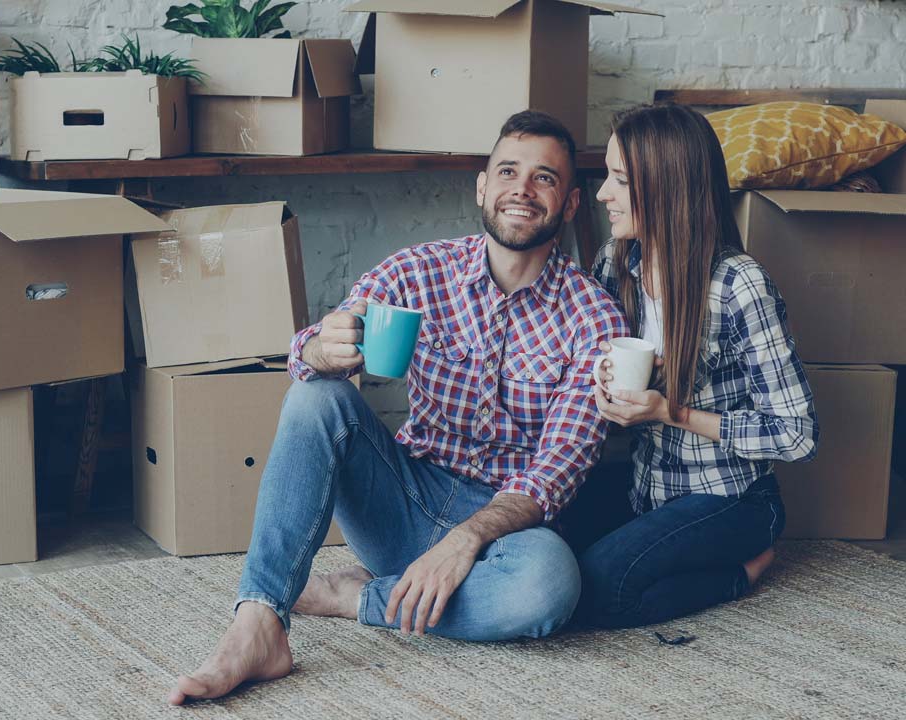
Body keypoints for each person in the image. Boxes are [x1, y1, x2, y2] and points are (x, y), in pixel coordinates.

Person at [168, 110, 629, 704]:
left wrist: (464, 540)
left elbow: (554, 473)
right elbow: (310, 350)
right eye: (508, 171)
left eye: (544, 178)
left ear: (569, 203)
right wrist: (323, 345)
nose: (521, 188)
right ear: (482, 187)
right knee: (318, 397)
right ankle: (258, 623)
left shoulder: (594, 318)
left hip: (503, 533)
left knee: (550, 587)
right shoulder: (418, 270)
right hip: (403, 499)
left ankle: (354, 598)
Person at [578, 103, 819, 628]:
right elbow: (588, 357)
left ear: (666, 186)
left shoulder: (738, 285)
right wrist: (599, 378)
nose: (603, 194)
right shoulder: (616, 262)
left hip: (732, 498)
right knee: (543, 559)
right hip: (644, 488)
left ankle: (742, 573)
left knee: (600, 590)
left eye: (620, 179)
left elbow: (797, 435)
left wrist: (671, 412)